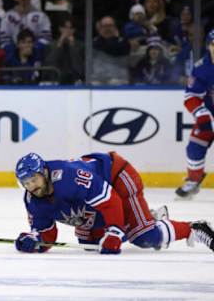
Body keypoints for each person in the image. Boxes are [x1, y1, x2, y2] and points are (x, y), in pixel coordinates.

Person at [14, 152, 214, 254]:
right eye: (26, 183)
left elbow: (110, 202)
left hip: (117, 177)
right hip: (100, 197)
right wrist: (35, 241)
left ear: (45, 173)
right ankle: (145, 218)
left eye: (34, 179)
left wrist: (115, 233)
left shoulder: (69, 178)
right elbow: (47, 234)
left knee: (144, 237)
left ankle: (194, 228)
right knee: (91, 244)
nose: (32, 186)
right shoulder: (33, 200)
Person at [175, 29, 214, 199]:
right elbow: (191, 97)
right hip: (209, 117)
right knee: (195, 145)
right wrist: (203, 115)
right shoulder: (201, 68)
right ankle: (194, 180)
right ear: (208, 46)